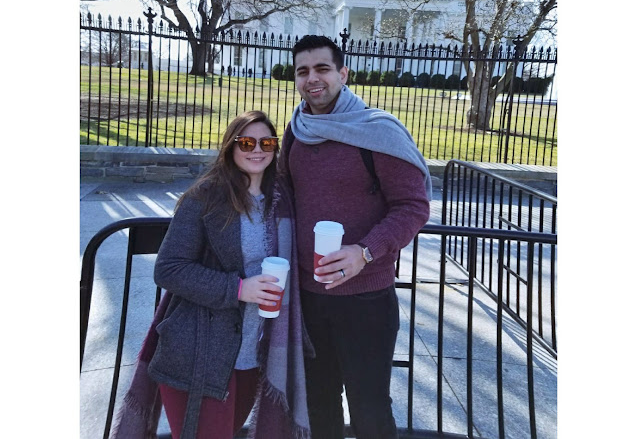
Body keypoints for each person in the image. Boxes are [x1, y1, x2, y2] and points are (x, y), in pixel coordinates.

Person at [111, 111, 311, 439]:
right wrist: (238, 289)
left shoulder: (282, 201)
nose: (256, 150)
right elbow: (169, 268)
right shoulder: (205, 197)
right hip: (199, 351)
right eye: (246, 142)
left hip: (253, 352)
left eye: (266, 143)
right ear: (231, 147)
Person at [280, 35, 432, 439]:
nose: (312, 79)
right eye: (303, 71)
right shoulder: (296, 131)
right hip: (308, 298)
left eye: (322, 68)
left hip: (367, 300)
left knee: (370, 411)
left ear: (343, 73)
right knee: (318, 405)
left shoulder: (377, 132)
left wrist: (365, 251)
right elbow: (284, 198)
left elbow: (413, 207)